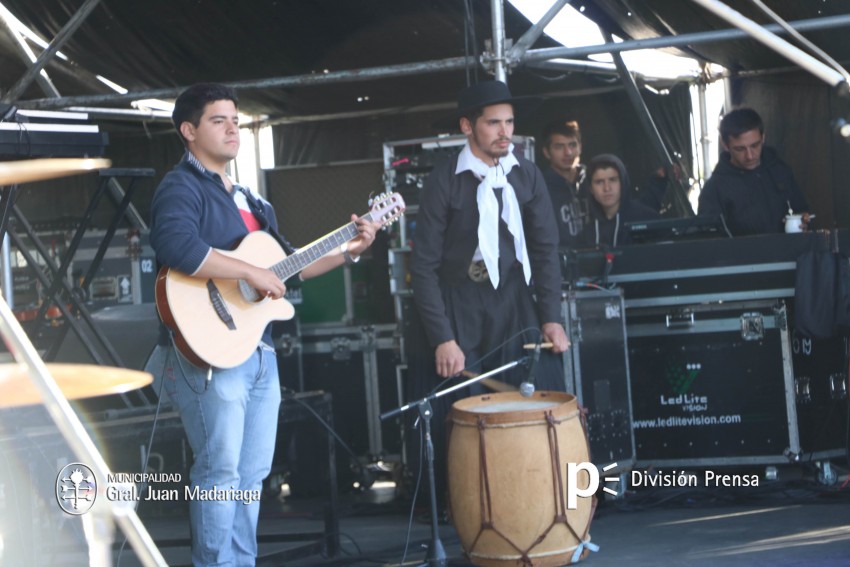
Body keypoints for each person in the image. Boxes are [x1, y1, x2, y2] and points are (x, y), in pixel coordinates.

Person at [147, 83, 380, 566]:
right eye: (218, 120)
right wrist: (249, 272)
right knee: (220, 471)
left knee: (251, 475)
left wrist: (349, 252)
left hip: (259, 351)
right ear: (188, 131)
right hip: (208, 351)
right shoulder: (180, 187)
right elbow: (177, 248)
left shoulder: (255, 202)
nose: (233, 127)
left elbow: (288, 265)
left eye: (235, 119)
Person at [698, 107, 811, 235]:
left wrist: (803, 220)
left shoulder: (780, 170)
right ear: (725, 145)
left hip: (791, 252)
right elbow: (709, 239)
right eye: (740, 149)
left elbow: (801, 209)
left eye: (755, 145)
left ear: (763, 138)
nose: (750, 156)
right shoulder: (714, 189)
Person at [584, 154, 660, 247]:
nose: (607, 188)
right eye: (599, 182)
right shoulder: (586, 232)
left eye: (612, 180)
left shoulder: (647, 220)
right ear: (591, 189)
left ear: (623, 183)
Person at [540, 119, 588, 248]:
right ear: (546, 152)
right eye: (559, 147)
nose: (568, 153)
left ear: (580, 147)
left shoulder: (594, 181)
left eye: (572, 145)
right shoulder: (540, 189)